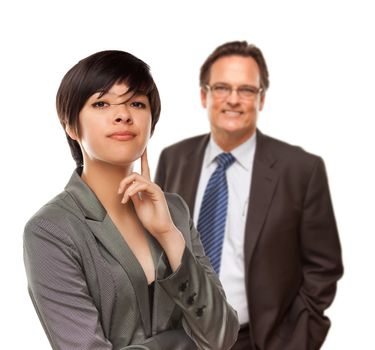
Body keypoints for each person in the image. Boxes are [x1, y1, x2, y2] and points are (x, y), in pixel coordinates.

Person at [23, 50, 239, 350]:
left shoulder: (173, 210)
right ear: (71, 126)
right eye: (101, 103)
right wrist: (180, 343)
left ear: (151, 122)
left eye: (136, 103)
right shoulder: (51, 230)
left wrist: (168, 234)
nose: (123, 114)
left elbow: (222, 336)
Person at [155, 41, 343, 350]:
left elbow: (323, 268)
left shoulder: (301, 170)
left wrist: (294, 342)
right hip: (179, 337)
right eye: (221, 88)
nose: (233, 100)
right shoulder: (174, 159)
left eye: (246, 90)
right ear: (204, 95)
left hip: (256, 340)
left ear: (261, 99)